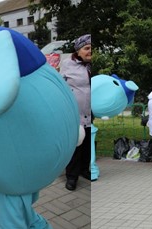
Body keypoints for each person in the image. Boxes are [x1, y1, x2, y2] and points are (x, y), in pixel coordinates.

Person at [59, 34, 95, 189]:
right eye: (86, 48)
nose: (90, 51)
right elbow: (60, 85)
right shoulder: (68, 64)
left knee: (88, 144)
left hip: (90, 112)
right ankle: (71, 177)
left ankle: (84, 170)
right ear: (78, 51)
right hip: (74, 114)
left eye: (92, 49)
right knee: (76, 145)